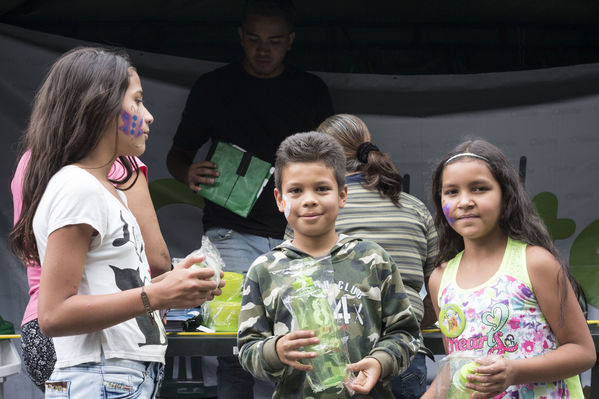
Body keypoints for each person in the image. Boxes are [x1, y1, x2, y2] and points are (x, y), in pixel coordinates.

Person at [9, 47, 223, 398]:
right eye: (137, 101)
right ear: (100, 107)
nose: (149, 116)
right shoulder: (77, 186)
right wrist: (157, 292)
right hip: (100, 374)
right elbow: (53, 314)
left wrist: (180, 283)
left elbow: (116, 282)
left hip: (119, 373)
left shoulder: (109, 191)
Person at [166, 0, 333, 397]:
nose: (263, 49)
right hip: (230, 232)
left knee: (304, 337)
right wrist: (187, 172)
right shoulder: (214, 86)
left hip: (300, 235)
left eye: (274, 41)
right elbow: (178, 153)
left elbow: (332, 158)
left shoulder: (311, 89)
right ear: (240, 37)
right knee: (237, 340)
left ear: (290, 42)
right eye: (254, 40)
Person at [238, 132, 421, 398]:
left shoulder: (372, 259)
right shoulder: (264, 270)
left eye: (322, 188)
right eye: (296, 190)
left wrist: (381, 361)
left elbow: (406, 333)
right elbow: (246, 348)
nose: (309, 199)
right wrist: (275, 351)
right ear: (280, 199)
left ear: (342, 194)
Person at [422, 139, 595, 398]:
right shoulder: (440, 279)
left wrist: (514, 371)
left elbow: (582, 351)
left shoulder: (535, 263)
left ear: (506, 195)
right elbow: (454, 366)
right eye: (452, 192)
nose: (465, 201)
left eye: (479, 189)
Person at [12, 151, 171, 391]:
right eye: (135, 109)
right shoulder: (117, 165)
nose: (147, 116)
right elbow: (156, 260)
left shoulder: (32, 159)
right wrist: (159, 294)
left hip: (40, 336)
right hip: (101, 336)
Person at [315, 114, 438, 399]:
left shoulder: (314, 211)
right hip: (403, 357)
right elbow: (440, 292)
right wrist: (406, 325)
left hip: (334, 362)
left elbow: (290, 291)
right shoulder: (414, 208)